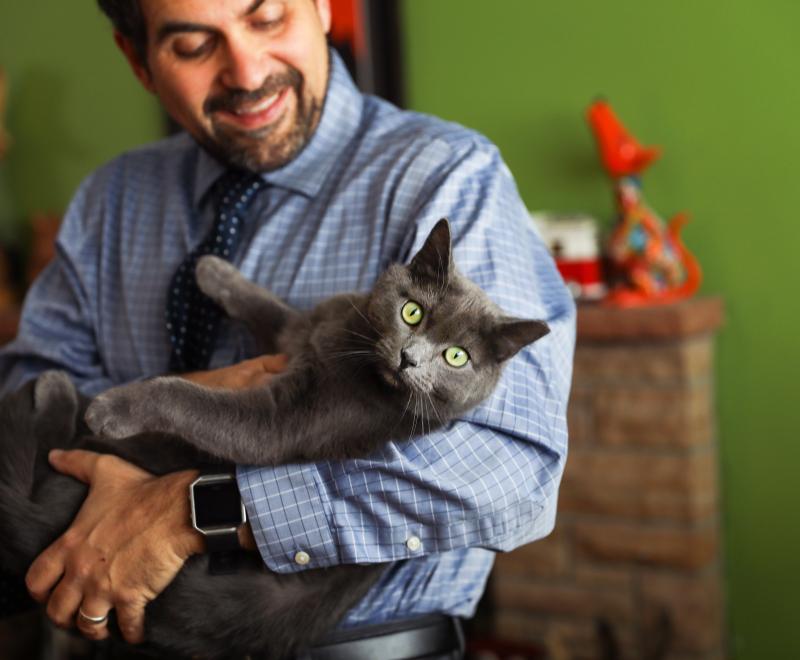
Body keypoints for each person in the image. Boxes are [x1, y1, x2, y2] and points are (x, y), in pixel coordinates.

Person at [0, 0, 576, 658]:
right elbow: (27, 388)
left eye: (268, 18)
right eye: (194, 46)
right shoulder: (112, 198)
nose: (246, 72)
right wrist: (178, 412)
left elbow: (509, 468)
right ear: (137, 60)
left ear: (326, 7)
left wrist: (196, 509)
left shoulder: (445, 176)